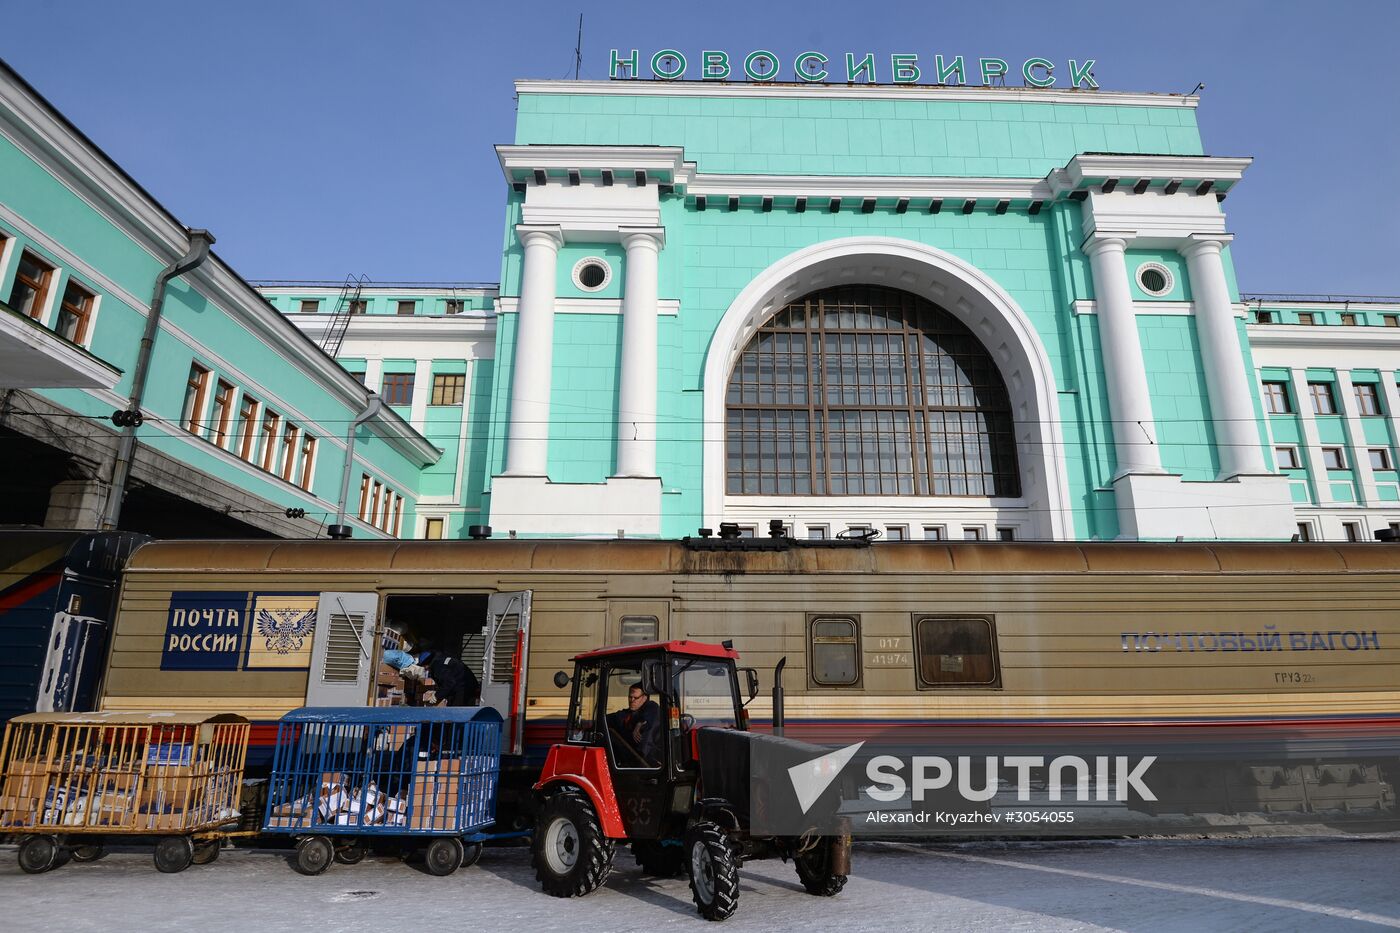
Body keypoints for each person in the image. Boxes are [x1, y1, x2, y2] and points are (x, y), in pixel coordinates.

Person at [606, 683, 660, 766]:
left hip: (646, 762)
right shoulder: (624, 714)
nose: (632, 700)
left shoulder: (651, 708)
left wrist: (639, 723)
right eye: (630, 697)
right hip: (627, 760)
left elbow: (652, 710)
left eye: (636, 697)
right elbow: (607, 719)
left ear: (644, 698)